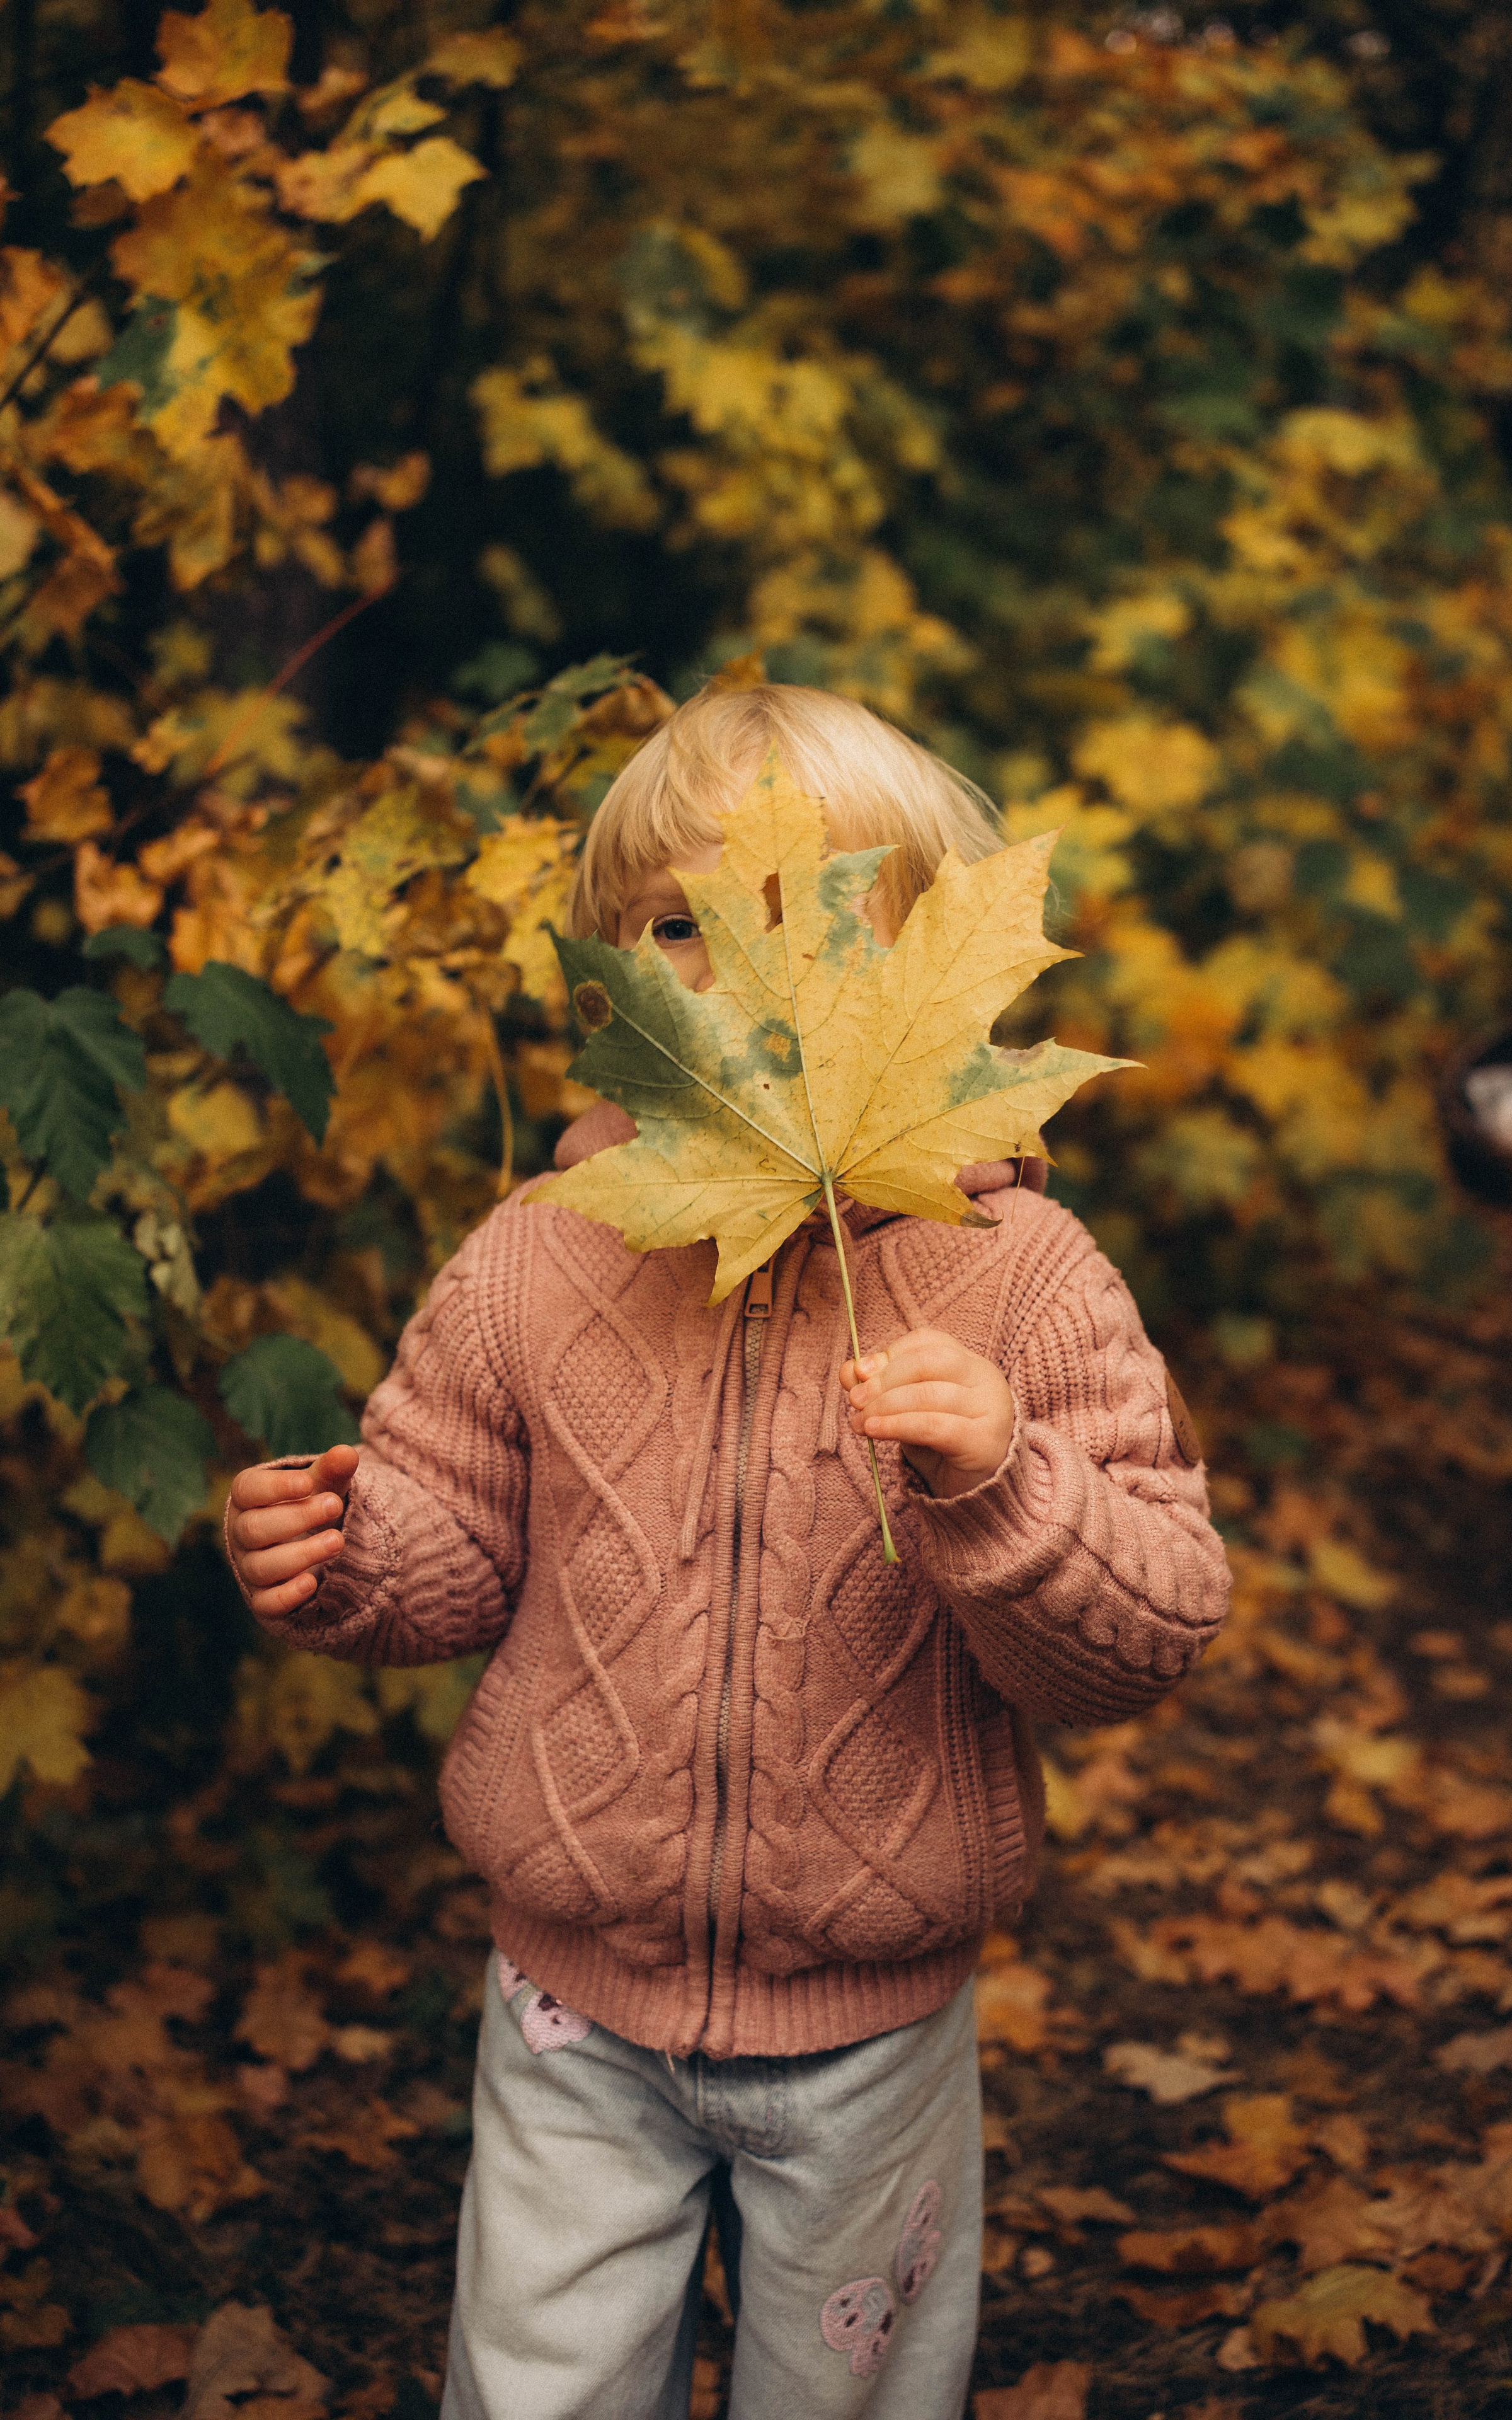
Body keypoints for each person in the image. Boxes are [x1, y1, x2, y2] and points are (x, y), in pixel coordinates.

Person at [224, 684, 1232, 2420]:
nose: (728, 970)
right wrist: (348, 1556)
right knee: (536, 2387)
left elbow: (1149, 1632)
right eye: (678, 927)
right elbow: (457, 1536)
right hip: (570, 2007)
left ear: (931, 964)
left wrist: (1008, 1483)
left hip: (871, 2017)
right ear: (615, 974)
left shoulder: (1030, 1278)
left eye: (808, 916)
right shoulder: (547, 1252)